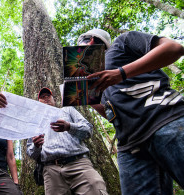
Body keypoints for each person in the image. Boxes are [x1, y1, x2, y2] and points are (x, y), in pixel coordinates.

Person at [78, 29, 184, 194]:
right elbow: (110, 116)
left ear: (90, 41)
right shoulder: (96, 78)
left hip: (167, 120)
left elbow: (174, 48)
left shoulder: (122, 42)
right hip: (130, 147)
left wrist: (120, 73)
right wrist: (86, 96)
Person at [27, 87, 108, 195]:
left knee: (95, 190)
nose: (46, 98)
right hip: (51, 170)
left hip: (78, 163)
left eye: (48, 96)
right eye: (42, 97)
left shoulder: (67, 110)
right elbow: (31, 153)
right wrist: (36, 146)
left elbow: (88, 130)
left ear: (54, 99)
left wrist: (69, 127)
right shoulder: (35, 122)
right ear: (39, 102)